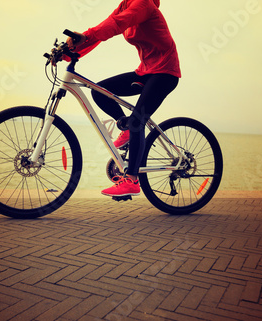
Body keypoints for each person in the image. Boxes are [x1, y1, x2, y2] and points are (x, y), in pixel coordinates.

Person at [66, 0, 181, 198]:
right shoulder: (126, 4)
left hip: (165, 73)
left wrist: (86, 36)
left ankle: (132, 180)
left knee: (138, 121)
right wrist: (70, 52)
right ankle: (126, 127)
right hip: (146, 71)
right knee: (99, 90)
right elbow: (105, 26)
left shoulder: (144, 4)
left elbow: (117, 24)